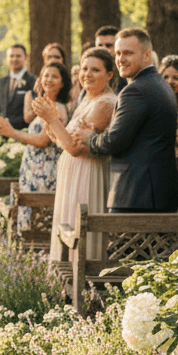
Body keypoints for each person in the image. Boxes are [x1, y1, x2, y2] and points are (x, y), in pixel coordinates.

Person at [80, 28, 178, 213]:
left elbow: (113, 141)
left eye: (128, 53)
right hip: (158, 193)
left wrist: (89, 138)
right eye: (118, 53)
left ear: (147, 55)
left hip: (136, 195)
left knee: (122, 243)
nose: (121, 59)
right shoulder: (159, 84)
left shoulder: (135, 90)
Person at [32, 48, 117, 263]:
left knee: (79, 228)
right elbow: (61, 140)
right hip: (72, 172)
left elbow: (75, 148)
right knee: (66, 223)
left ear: (109, 75)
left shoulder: (104, 103)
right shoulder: (87, 99)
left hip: (87, 173)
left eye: (95, 70)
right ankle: (64, 275)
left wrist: (52, 119)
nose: (87, 74)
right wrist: (47, 119)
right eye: (85, 68)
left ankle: (82, 280)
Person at [0, 61, 69, 230]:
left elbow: (43, 140)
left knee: (39, 218)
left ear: (63, 83)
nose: (49, 79)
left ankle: (37, 252)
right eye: (46, 75)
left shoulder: (58, 108)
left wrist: (12, 132)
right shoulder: (44, 104)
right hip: (33, 168)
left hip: (45, 170)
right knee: (28, 214)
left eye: (55, 76)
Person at [0, 43, 34, 131]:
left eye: (18, 56)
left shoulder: (32, 81)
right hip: (2, 133)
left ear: (26, 57)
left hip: (24, 132)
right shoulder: (0, 82)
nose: (14, 59)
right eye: (11, 56)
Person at [95, 25, 128, 92]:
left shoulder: (126, 73)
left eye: (108, 45)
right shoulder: (88, 73)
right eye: (100, 45)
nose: (103, 49)